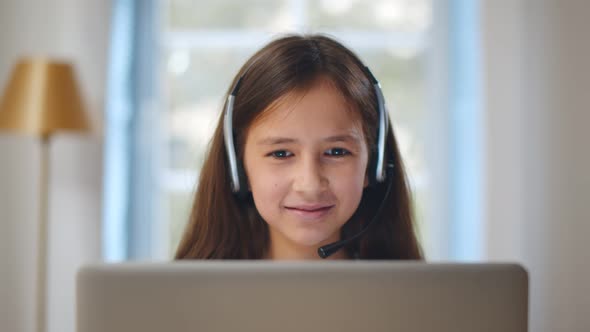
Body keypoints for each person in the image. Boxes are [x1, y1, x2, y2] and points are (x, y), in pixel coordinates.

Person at [175, 34, 423, 260]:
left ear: (374, 164)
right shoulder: (181, 300)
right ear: (238, 167)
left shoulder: (421, 300)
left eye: (337, 151)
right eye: (281, 153)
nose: (310, 184)